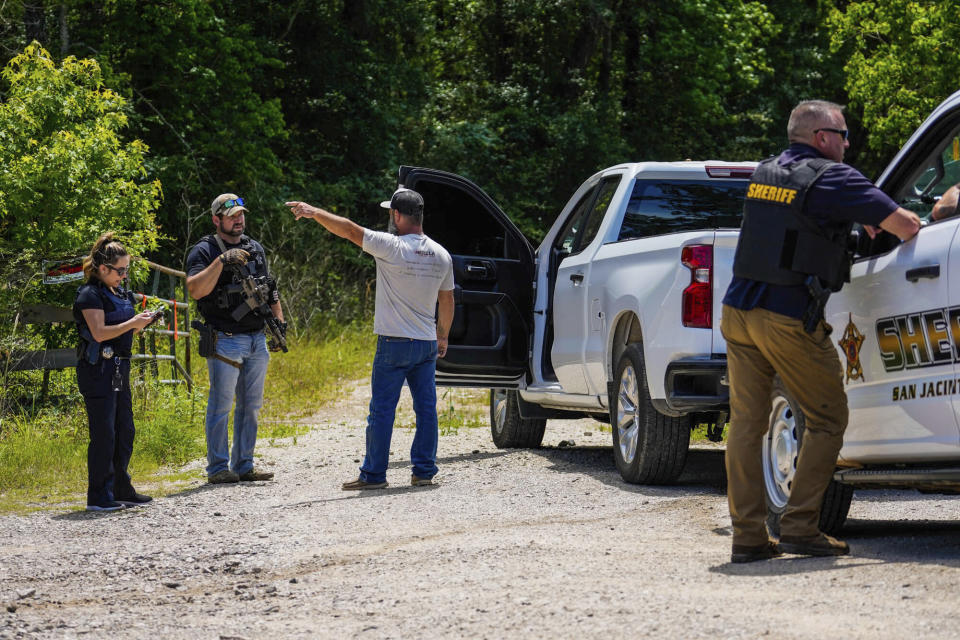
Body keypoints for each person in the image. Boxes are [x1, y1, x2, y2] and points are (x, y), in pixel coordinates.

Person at [721, 100, 921, 562]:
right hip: (786, 317)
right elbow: (908, 226)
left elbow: (795, 232)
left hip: (738, 312)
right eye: (845, 135)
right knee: (828, 419)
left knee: (747, 428)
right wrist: (877, 216)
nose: (848, 145)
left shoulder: (766, 173)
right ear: (823, 137)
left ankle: (748, 538)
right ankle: (800, 528)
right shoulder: (835, 177)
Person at [286, 188, 454, 489]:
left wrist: (314, 212)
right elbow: (448, 300)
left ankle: (374, 475)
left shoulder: (390, 246)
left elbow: (349, 229)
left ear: (398, 216)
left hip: (394, 343)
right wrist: (442, 336)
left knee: (382, 410)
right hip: (426, 343)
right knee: (426, 409)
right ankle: (424, 471)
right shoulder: (441, 254)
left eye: (392, 213)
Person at [186, 194, 283, 484]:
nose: (239, 220)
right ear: (217, 220)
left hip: (256, 339)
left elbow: (270, 289)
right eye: (232, 216)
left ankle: (244, 465)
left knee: (251, 406)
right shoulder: (204, 250)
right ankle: (218, 468)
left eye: (241, 215)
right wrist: (221, 261)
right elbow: (195, 289)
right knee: (221, 405)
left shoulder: (255, 247)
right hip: (225, 339)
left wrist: (279, 324)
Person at [74, 233, 157, 511]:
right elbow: (98, 333)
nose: (124, 275)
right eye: (119, 270)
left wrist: (141, 322)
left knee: (125, 430)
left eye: (126, 270)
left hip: (120, 367)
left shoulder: (118, 293)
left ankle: (121, 487)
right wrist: (132, 322)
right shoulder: (90, 294)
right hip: (98, 370)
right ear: (103, 268)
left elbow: (123, 327)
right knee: (104, 433)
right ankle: (98, 496)